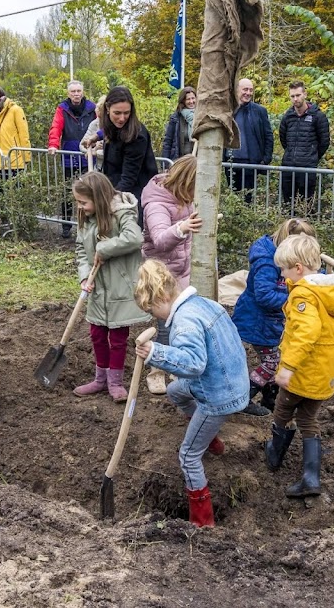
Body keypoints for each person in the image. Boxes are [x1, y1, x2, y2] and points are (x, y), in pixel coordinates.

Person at [134, 259, 251, 528]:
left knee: (187, 456)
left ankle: (202, 522)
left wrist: (155, 352)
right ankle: (212, 442)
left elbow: (193, 363)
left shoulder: (185, 321)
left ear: (163, 296)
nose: (156, 316)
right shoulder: (205, 304)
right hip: (231, 382)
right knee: (175, 391)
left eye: (153, 308)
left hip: (217, 395)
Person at [264, 234, 334, 498]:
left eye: (284, 270)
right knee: (308, 418)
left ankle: (274, 454)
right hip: (326, 375)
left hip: (303, 372)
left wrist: (287, 366)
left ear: (298, 268)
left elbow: (307, 331)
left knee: (283, 408)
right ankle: (311, 477)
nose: (283, 275)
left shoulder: (305, 296)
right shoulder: (333, 292)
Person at [71, 171, 150, 403]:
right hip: (97, 288)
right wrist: (85, 276)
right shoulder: (85, 218)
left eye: (83, 202)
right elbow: (80, 249)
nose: (80, 207)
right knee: (97, 334)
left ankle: (115, 383)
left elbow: (135, 238)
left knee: (117, 336)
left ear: (99, 198)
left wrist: (105, 248)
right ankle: (100, 379)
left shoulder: (122, 214)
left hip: (119, 287)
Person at [232, 218, 318, 416]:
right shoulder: (266, 262)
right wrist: (295, 300)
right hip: (257, 322)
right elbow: (264, 296)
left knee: (274, 360)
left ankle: (270, 400)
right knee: (273, 363)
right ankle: (243, 399)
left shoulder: (291, 259)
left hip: (272, 323)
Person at [141, 155, 203, 395]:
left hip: (182, 269)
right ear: (187, 181)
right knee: (164, 325)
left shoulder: (185, 197)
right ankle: (156, 372)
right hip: (162, 273)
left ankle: (176, 367)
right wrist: (182, 227)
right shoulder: (157, 204)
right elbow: (159, 240)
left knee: (181, 322)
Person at [48, 81, 97, 237]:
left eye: (78, 91)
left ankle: (89, 225)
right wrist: (53, 145)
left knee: (90, 192)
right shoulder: (63, 109)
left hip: (88, 156)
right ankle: (66, 226)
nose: (76, 94)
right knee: (67, 191)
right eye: (73, 91)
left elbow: (100, 126)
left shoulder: (92, 108)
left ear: (83, 91)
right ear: (68, 93)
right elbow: (56, 127)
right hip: (69, 155)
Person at [100, 86, 158, 216]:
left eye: (126, 113)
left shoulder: (137, 136)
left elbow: (128, 178)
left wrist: (112, 201)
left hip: (134, 197)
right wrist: (96, 137)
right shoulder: (112, 127)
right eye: (117, 113)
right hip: (116, 188)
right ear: (107, 109)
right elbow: (105, 133)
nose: (122, 118)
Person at [279, 81, 330, 204]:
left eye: (298, 95)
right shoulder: (288, 116)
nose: (295, 99)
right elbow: (283, 138)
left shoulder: (318, 116)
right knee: (287, 204)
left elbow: (324, 141)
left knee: (306, 205)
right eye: (292, 96)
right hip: (288, 166)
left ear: (305, 94)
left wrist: (312, 156)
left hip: (308, 168)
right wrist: (291, 153)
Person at [224, 78, 273, 202]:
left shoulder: (259, 111)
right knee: (233, 198)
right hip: (231, 162)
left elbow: (268, 136)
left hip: (251, 163)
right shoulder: (227, 110)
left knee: (248, 199)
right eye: (245, 89)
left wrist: (266, 159)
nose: (248, 93)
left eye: (251, 90)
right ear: (237, 90)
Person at [0, 85, 31, 177]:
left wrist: (26, 159)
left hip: (15, 162)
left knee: (16, 190)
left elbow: (24, 135)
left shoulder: (15, 110)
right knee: (0, 191)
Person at [161, 86, 197, 160]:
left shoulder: (201, 117)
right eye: (188, 99)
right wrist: (166, 163)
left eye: (193, 98)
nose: (191, 101)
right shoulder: (176, 118)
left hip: (197, 161)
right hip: (179, 161)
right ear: (183, 101)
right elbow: (168, 141)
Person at [79, 96, 106, 170]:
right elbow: (82, 145)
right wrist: (93, 148)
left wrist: (96, 152)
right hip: (98, 167)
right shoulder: (94, 124)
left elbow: (113, 153)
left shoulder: (116, 126)